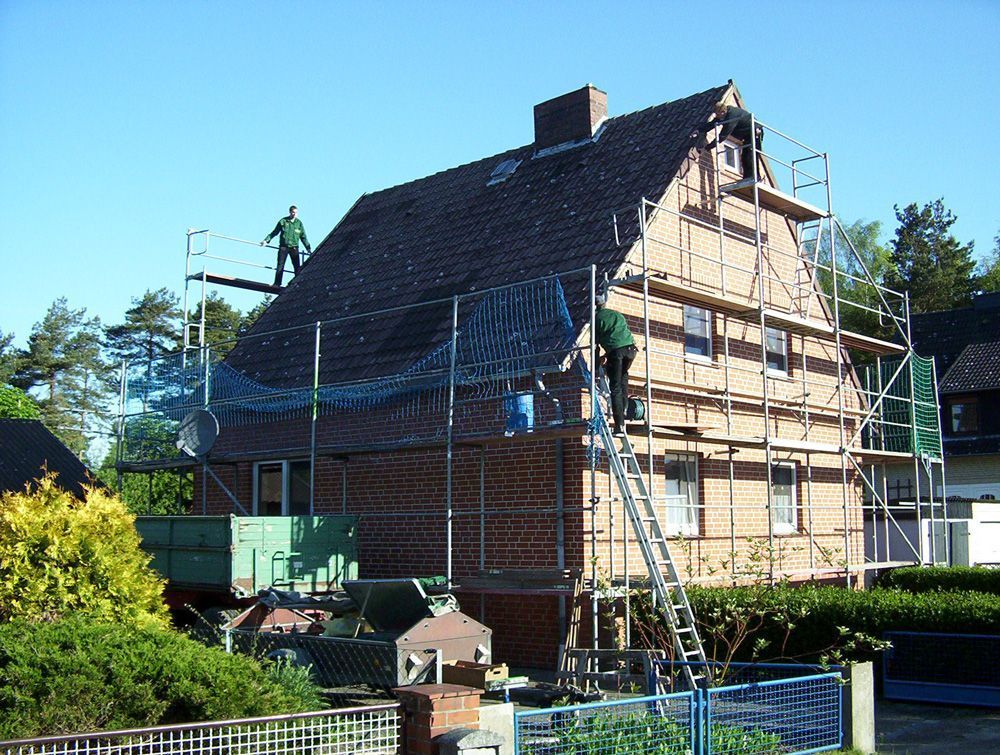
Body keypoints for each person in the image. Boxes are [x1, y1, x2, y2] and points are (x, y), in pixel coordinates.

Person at [595, 292, 637, 436]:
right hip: (631, 350)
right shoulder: (616, 314)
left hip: (617, 353)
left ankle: (619, 426)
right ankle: (624, 410)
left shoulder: (596, 318)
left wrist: (596, 363)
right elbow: (620, 340)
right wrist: (607, 355)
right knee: (623, 377)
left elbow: (595, 346)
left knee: (615, 387)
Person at [261, 205, 311, 287]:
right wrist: (266, 240)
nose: (294, 214)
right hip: (284, 246)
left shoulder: (299, 223)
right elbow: (275, 232)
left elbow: (303, 237)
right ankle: (277, 283)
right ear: (290, 212)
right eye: (293, 212)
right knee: (280, 265)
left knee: (297, 267)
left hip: (294, 247)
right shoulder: (283, 221)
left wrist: (308, 248)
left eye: (296, 213)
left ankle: (297, 284)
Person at [713, 105, 764, 181]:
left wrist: (710, 145)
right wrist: (700, 130)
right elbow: (711, 123)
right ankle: (747, 177)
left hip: (756, 132)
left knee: (751, 154)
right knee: (744, 156)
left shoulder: (732, 115)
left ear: (722, 112)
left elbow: (724, 134)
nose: (717, 116)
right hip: (748, 135)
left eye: (717, 114)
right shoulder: (724, 116)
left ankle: (756, 177)